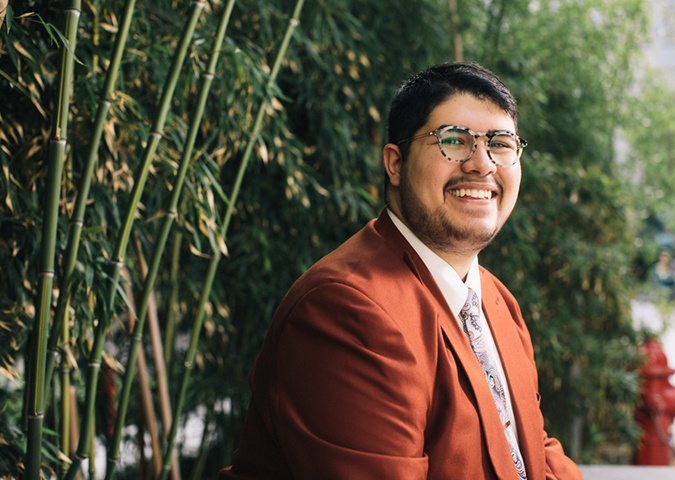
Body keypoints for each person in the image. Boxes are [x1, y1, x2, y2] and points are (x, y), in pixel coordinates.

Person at [218, 62, 582, 479]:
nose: (482, 164)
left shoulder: (496, 300)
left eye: (500, 143)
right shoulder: (346, 308)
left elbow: (533, 448)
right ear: (395, 163)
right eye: (454, 140)